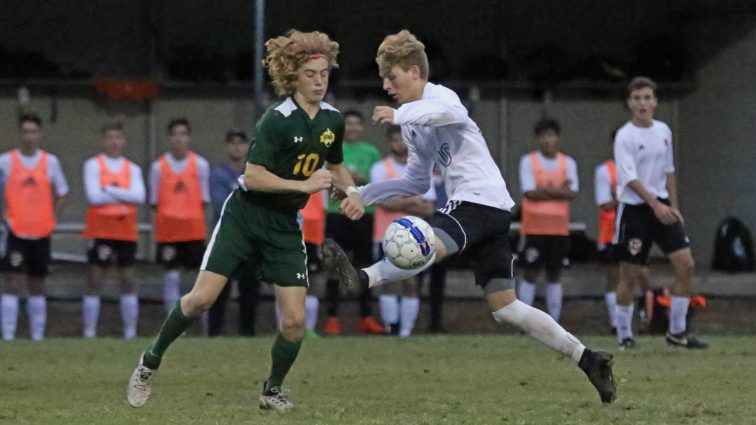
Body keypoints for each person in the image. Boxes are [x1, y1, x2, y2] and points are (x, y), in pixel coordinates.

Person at [329, 29, 615, 403]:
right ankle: (589, 359)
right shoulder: (414, 126)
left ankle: (363, 278)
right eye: (383, 78)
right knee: (506, 309)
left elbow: (451, 113)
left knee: (426, 244)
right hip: (488, 208)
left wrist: (400, 113)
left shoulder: (438, 96)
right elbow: (416, 181)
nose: (385, 85)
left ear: (415, 71)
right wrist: (362, 193)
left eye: (391, 76)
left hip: (477, 202)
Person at [127, 30, 364, 412]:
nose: (319, 81)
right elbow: (253, 176)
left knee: (293, 322)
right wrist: (303, 185)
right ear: (293, 77)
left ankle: (272, 391)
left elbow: (335, 165)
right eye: (310, 74)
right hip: (245, 216)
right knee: (201, 300)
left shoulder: (333, 121)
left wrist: (351, 193)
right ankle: (149, 362)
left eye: (324, 74)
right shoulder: (277, 120)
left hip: (285, 225)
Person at [613, 76, 707, 349]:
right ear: (630, 103)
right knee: (629, 274)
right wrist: (656, 205)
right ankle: (624, 335)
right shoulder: (625, 136)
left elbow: (669, 171)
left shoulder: (664, 130)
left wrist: (673, 207)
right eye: (637, 98)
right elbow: (630, 179)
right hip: (636, 210)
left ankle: (676, 332)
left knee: (686, 265)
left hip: (663, 207)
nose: (642, 103)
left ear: (655, 102)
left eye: (647, 98)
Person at [0, 113, 69, 341]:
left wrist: (51, 217)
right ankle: (8, 336)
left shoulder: (50, 162)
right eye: (25, 131)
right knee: (11, 281)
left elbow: (62, 192)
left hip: (41, 232)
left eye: (33, 131)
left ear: (40, 134)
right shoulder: (6, 161)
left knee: (37, 283)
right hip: (16, 232)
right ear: (20, 134)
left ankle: (37, 337)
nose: (29, 136)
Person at [81, 121, 146, 339]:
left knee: (128, 280)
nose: (114, 142)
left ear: (124, 140)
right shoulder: (93, 165)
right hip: (101, 230)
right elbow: (93, 196)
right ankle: (89, 332)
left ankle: (130, 332)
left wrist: (108, 189)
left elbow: (139, 196)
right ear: (103, 140)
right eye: (110, 137)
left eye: (118, 137)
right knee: (95, 281)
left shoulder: (133, 168)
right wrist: (123, 193)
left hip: (126, 231)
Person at [322, 109, 384, 335]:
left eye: (357, 124)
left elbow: (376, 181)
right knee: (334, 266)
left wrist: (360, 180)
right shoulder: (332, 150)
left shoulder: (371, 152)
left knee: (365, 265)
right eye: (348, 124)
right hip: (337, 213)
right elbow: (326, 179)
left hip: (363, 213)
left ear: (362, 127)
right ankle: (331, 318)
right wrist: (343, 181)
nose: (353, 128)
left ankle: (366, 317)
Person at [372, 125, 435, 337]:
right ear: (389, 142)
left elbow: (429, 205)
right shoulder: (380, 168)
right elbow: (382, 200)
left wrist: (402, 202)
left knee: (411, 283)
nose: (399, 144)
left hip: (416, 236)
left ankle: (406, 331)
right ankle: (391, 327)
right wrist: (410, 204)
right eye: (395, 140)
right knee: (389, 282)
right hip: (385, 234)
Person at [516, 118, 578, 323]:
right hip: (534, 228)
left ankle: (553, 323)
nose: (547, 140)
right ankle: (524, 323)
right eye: (543, 136)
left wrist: (546, 190)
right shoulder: (528, 161)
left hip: (559, 229)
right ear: (537, 139)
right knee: (530, 272)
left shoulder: (567, 162)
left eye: (551, 135)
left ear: (557, 138)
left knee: (555, 273)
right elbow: (530, 193)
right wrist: (559, 190)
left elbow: (571, 193)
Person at [150, 118, 210, 311]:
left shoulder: (200, 164)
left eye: (183, 134)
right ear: (169, 138)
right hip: (169, 232)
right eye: (175, 134)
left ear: (189, 137)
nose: (179, 139)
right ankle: (172, 320)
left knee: (198, 278)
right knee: (171, 275)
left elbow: (205, 199)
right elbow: (154, 201)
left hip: (193, 231)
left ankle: (199, 321)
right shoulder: (158, 167)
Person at [206, 129, 259, 337]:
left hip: (250, 241)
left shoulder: (255, 173)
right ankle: (214, 333)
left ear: (247, 147)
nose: (237, 147)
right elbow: (221, 205)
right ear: (227, 146)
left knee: (250, 288)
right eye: (232, 143)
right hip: (225, 240)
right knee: (219, 289)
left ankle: (248, 333)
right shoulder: (218, 174)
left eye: (241, 142)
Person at [299, 191, 328, 339]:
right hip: (291, 234)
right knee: (284, 284)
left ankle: (309, 328)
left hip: (312, 237)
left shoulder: (320, 178)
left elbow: (323, 208)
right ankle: (284, 327)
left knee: (310, 285)